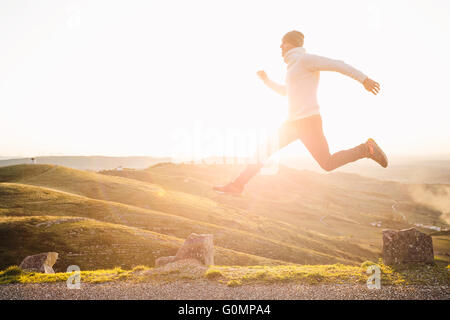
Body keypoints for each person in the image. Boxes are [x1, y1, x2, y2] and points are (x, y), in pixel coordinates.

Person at [213, 30, 388, 195]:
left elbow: (337, 65)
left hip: (308, 122)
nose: (280, 47)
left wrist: (363, 79)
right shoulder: (292, 67)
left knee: (327, 163)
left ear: (290, 44)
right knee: (264, 149)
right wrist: (266, 81)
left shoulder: (305, 60)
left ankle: (367, 149)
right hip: (292, 123)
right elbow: (287, 92)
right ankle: (237, 186)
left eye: (283, 43)